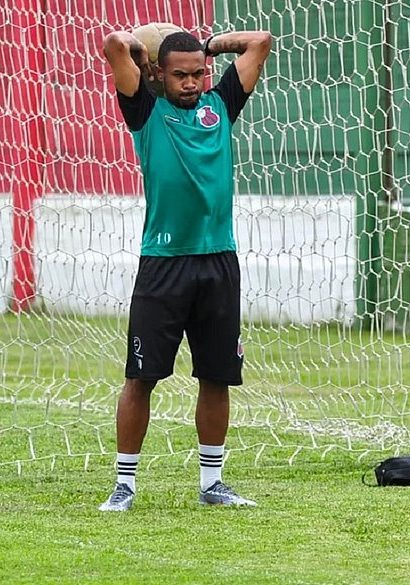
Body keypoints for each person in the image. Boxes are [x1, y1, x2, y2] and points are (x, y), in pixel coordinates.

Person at [98, 27, 272, 511]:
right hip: (162, 266)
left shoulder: (221, 107)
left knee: (217, 377)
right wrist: (140, 47)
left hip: (219, 261)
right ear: (158, 73)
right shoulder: (145, 111)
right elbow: (114, 44)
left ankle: (212, 484)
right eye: (180, 74)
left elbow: (260, 42)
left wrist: (209, 44)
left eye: (199, 73)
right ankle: (125, 486)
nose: (192, 82)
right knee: (141, 377)